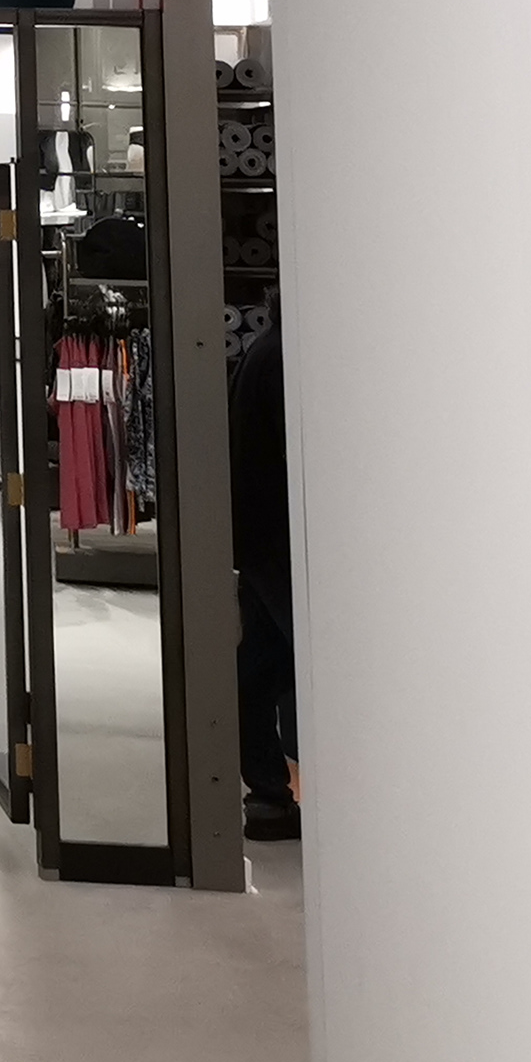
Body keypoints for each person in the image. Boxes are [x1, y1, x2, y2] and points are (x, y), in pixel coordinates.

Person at [228, 313, 298, 840]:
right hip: (281, 539)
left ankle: (269, 794)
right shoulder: (284, 358)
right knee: (309, 666)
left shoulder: (264, 349)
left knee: (258, 670)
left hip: (260, 537)